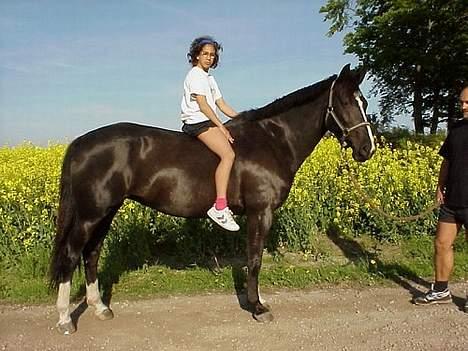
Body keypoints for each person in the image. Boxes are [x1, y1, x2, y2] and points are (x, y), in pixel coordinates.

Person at [414, 85, 468, 312]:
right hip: (452, 199)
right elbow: (446, 160)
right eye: (462, 102)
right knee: (441, 244)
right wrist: (439, 186)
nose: (463, 106)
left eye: (467, 102)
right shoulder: (456, 129)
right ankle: (441, 290)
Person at [180, 36, 240, 231]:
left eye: (212, 55)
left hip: (206, 120)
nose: (209, 58)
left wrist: (244, 118)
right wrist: (221, 127)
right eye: (205, 54)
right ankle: (220, 207)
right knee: (228, 154)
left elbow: (221, 104)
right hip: (197, 122)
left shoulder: (209, 78)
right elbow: (204, 105)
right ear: (196, 55)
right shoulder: (195, 75)